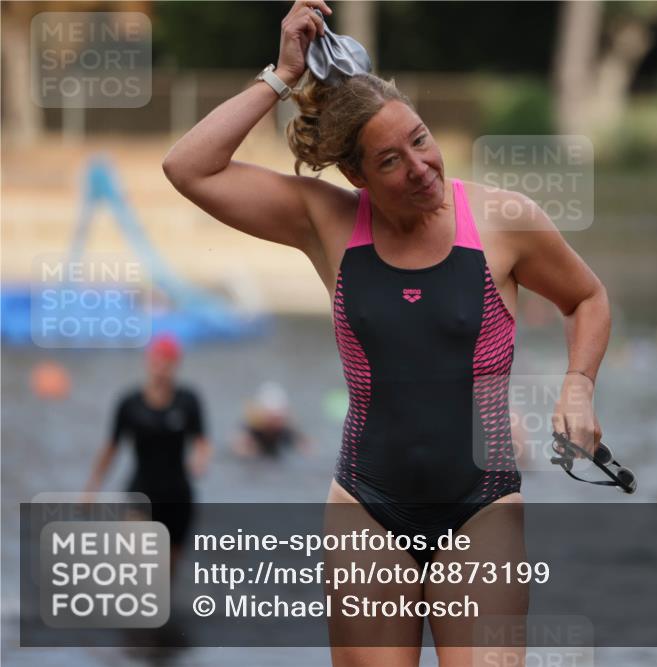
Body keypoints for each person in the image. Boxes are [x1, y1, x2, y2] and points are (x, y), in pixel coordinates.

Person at [161, 1, 610, 664]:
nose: (420, 166)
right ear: (357, 175)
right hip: (366, 509)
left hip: (481, 507)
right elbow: (188, 167)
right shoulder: (327, 221)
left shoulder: (504, 221)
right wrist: (281, 76)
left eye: (421, 140)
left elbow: (587, 297)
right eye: (391, 160)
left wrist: (578, 385)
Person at [84, 333, 211, 571]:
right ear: (148, 362)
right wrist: (92, 488)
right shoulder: (130, 404)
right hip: (140, 493)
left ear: (176, 365)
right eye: (157, 362)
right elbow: (111, 448)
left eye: (167, 364)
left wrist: (200, 459)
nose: (161, 370)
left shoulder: (188, 401)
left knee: (167, 572)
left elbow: (202, 441)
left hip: (178, 497)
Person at [231, 381, 311, 458]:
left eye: (278, 418)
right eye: (272, 418)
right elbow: (239, 450)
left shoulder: (288, 432)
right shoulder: (249, 433)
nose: (275, 424)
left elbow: (308, 450)